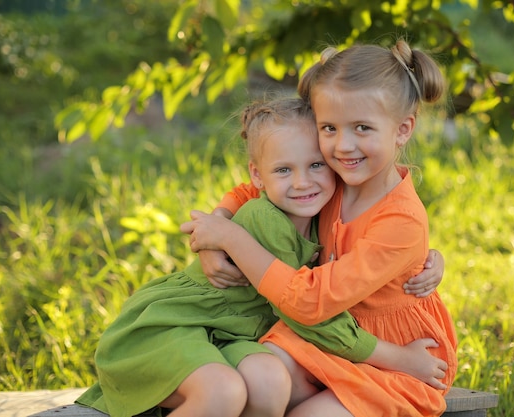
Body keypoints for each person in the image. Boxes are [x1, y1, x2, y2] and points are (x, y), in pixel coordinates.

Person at [76, 96, 447, 417]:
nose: (303, 182)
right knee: (223, 392)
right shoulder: (268, 218)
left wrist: (422, 257)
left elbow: (376, 238)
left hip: (234, 332)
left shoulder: (322, 204)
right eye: (284, 170)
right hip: (177, 325)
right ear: (259, 175)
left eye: (316, 165)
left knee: (269, 382)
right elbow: (306, 310)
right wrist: (397, 358)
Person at [181, 39, 458, 417]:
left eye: (362, 127)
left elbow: (310, 302)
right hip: (329, 333)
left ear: (403, 129)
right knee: (260, 376)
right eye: (329, 127)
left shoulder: (401, 220)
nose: (343, 145)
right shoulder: (336, 177)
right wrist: (217, 226)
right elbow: (254, 189)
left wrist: (232, 239)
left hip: (400, 356)